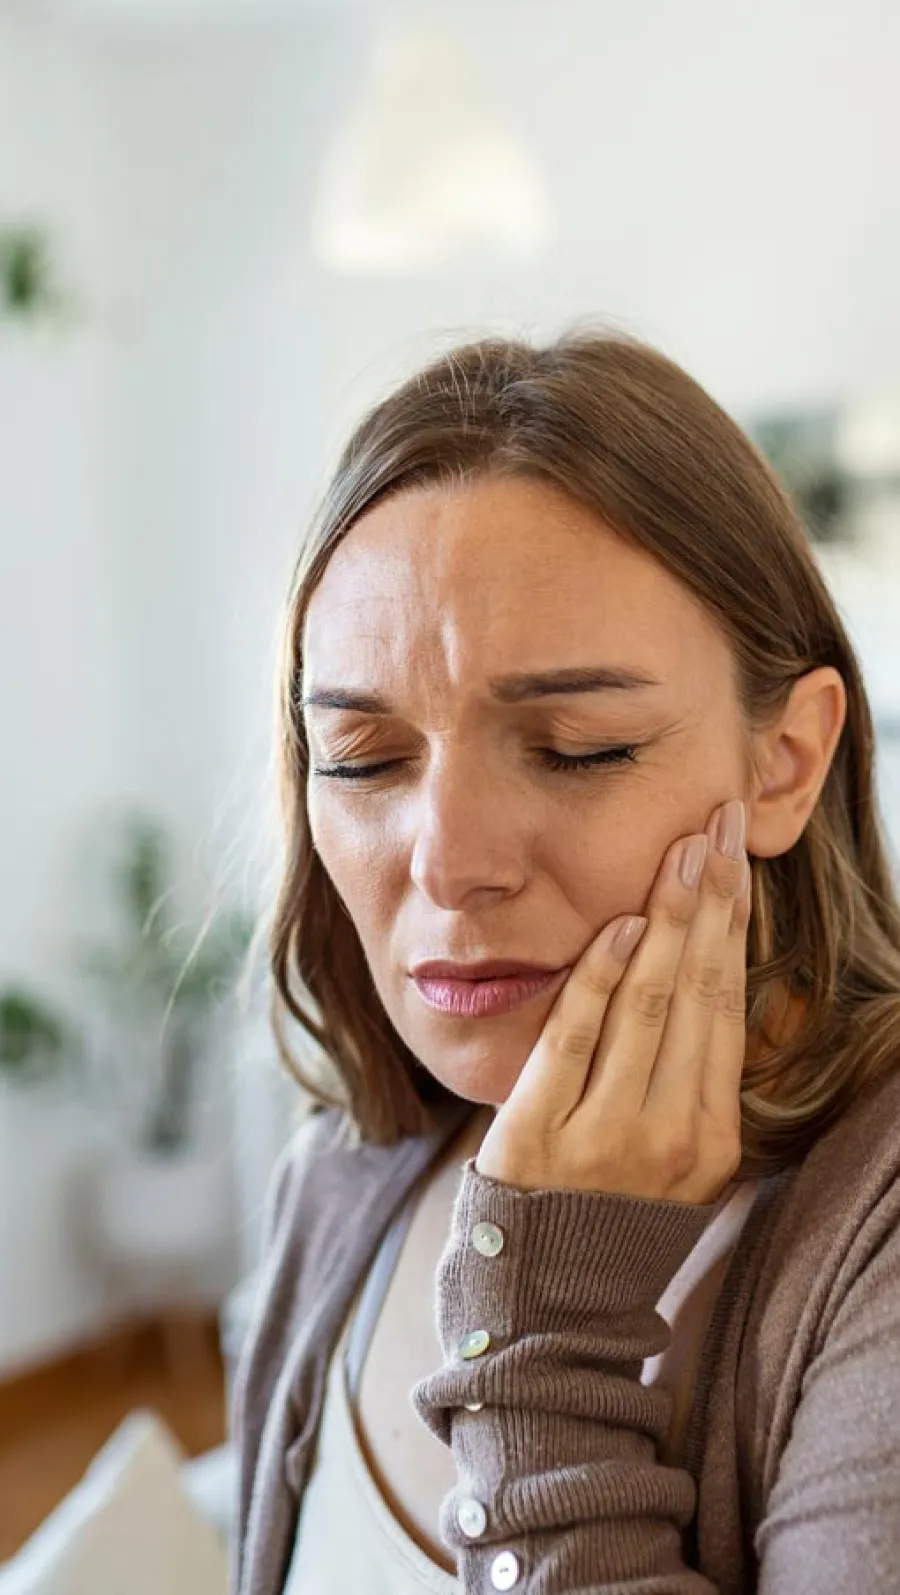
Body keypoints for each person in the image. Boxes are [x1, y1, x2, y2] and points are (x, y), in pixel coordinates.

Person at [229, 330, 900, 1595]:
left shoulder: (874, 1241)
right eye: (365, 758)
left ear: (787, 760)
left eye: (579, 746)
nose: (449, 863)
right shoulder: (339, 1171)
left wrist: (545, 1344)